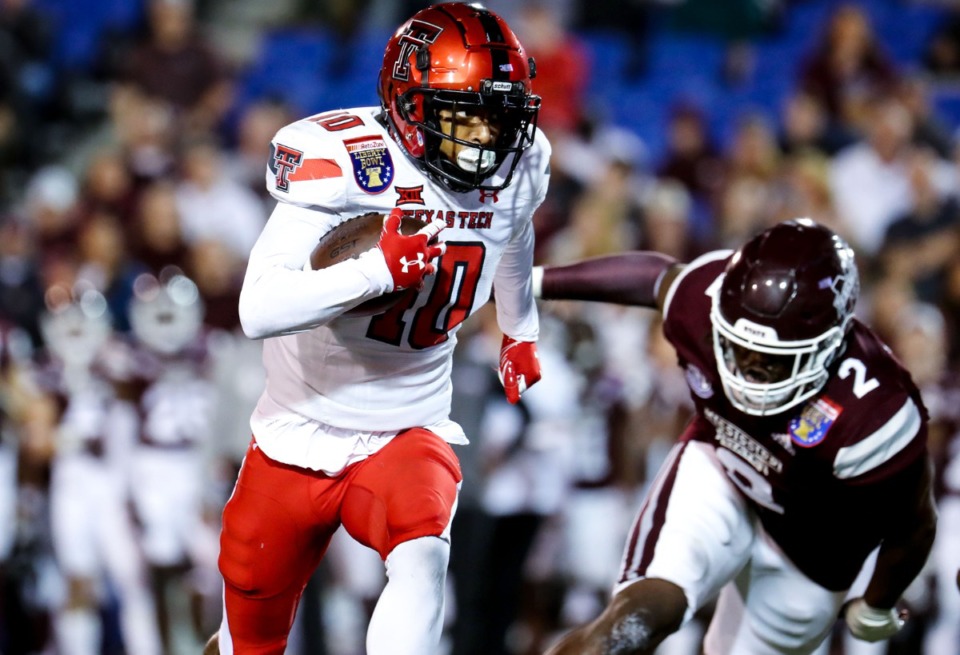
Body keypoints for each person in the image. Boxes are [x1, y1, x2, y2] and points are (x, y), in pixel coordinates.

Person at [203, 3, 550, 654]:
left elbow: (515, 235)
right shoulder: (348, 164)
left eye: (497, 115)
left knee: (422, 550)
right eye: (465, 114)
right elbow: (258, 307)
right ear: (410, 107)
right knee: (247, 632)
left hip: (405, 423)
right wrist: (376, 269)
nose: (487, 136)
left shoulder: (519, 166)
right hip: (297, 426)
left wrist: (518, 329)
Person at [533, 218, 937, 655]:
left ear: (831, 342)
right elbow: (658, 280)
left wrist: (878, 605)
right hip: (722, 465)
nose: (750, 367)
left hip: (811, 546)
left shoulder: (877, 414)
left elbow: (914, 528)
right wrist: (532, 281)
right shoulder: (704, 296)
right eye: (738, 347)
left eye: (774, 359)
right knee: (633, 623)